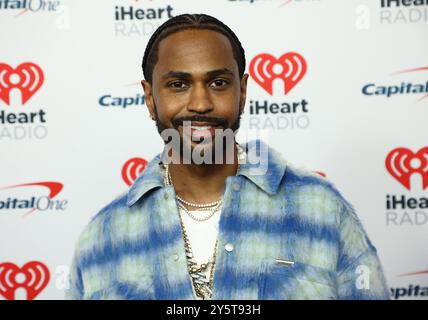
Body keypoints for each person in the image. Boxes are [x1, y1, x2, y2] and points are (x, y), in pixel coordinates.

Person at [66, 13, 390, 300]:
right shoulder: (102, 237)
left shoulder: (321, 210)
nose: (201, 103)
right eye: (178, 84)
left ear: (243, 92)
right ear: (150, 98)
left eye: (218, 83)